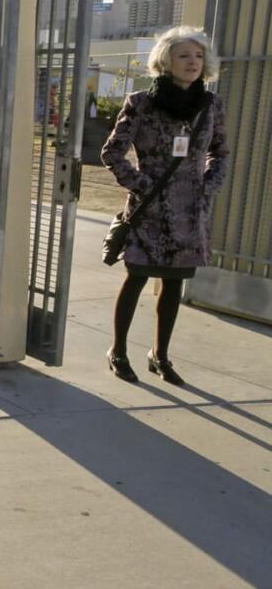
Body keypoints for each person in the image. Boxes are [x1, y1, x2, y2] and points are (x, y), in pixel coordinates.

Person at [100, 26, 228, 385]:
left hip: (190, 211)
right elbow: (111, 152)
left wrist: (208, 187)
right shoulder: (140, 102)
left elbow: (221, 153)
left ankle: (160, 355)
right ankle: (119, 351)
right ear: (166, 61)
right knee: (136, 277)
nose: (193, 62)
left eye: (199, 56)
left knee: (174, 285)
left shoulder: (212, 104)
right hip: (149, 208)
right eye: (184, 55)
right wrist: (143, 186)